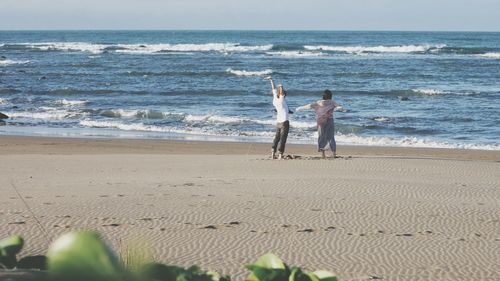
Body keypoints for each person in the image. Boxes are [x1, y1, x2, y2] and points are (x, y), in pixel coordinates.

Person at [296, 89, 345, 159]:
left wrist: (300, 108)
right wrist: (339, 109)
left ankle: (323, 154)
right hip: (329, 120)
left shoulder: (319, 102)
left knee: (321, 136)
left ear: (323, 96)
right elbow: (339, 107)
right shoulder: (332, 102)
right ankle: (334, 153)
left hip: (320, 122)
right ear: (330, 96)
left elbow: (309, 106)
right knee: (331, 137)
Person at [267, 76, 290, 159]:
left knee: (277, 138)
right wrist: (281, 86)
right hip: (284, 123)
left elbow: (273, 88)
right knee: (283, 139)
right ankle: (280, 154)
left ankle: (273, 153)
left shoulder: (275, 100)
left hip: (278, 122)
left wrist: (271, 80)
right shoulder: (281, 100)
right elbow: (281, 93)